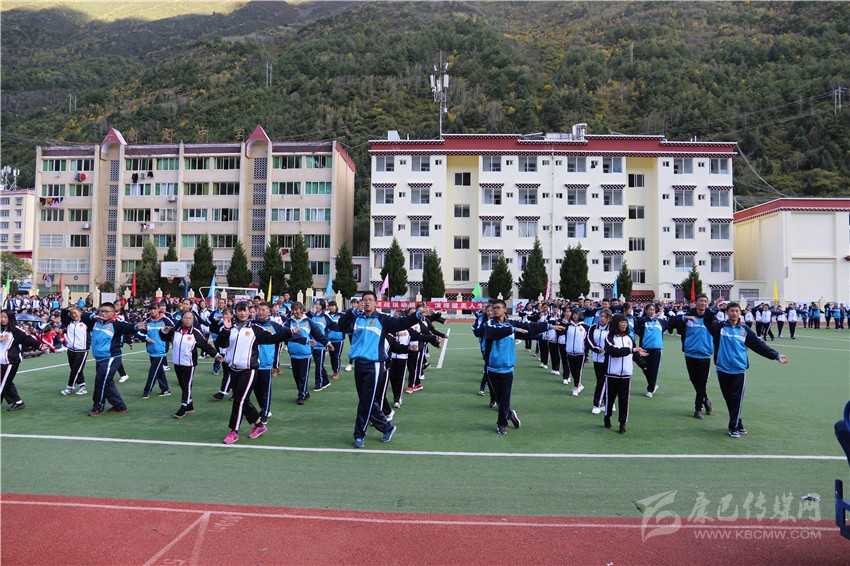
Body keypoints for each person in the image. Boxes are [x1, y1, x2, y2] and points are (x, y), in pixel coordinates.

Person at [335, 291, 428, 447]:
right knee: (366, 401)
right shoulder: (356, 318)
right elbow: (341, 326)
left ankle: (359, 435)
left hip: (374, 365)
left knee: (365, 402)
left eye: (370, 300)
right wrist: (351, 312)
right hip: (359, 364)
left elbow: (401, 323)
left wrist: (417, 315)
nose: (366, 302)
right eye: (364, 300)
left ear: (376, 303)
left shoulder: (383, 319)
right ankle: (387, 428)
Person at [215, 302, 306, 444]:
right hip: (233, 369)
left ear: (249, 312)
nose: (242, 313)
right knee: (243, 400)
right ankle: (259, 425)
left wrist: (291, 332)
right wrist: (225, 329)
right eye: (239, 311)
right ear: (235, 312)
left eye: (245, 310)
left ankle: (234, 431)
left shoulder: (255, 329)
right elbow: (221, 343)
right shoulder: (230, 328)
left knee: (239, 400)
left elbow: (272, 338)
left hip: (249, 370)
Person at [480, 299, 562, 435]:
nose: (495, 310)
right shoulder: (489, 324)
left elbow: (529, 328)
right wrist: (513, 329)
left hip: (508, 369)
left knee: (505, 398)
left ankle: (501, 424)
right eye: (493, 308)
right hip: (492, 368)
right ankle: (510, 414)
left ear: (505, 310)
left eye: (498, 307)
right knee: (499, 400)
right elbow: (495, 333)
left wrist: (548, 327)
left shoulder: (512, 324)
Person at [708, 302, 789, 438]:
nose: (734, 313)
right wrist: (714, 307)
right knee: (729, 399)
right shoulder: (719, 328)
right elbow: (707, 320)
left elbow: (759, 345)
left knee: (736, 399)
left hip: (739, 370)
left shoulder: (744, 330)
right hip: (722, 369)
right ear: (727, 312)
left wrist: (776, 356)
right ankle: (738, 421)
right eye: (732, 311)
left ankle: (733, 426)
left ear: (740, 313)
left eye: (737, 311)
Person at [80, 302, 147, 416]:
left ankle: (98, 406)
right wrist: (93, 316)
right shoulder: (95, 322)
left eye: (106, 311)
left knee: (100, 381)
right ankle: (119, 406)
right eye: (101, 311)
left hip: (111, 358)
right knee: (107, 383)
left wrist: (136, 327)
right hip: (100, 358)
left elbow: (128, 327)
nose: (103, 313)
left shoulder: (116, 323)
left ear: (113, 313)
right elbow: (83, 316)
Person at [159, 311, 222, 418]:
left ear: (193, 320)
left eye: (190, 318)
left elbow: (205, 345)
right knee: (182, 385)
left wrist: (216, 355)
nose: (187, 320)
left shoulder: (195, 333)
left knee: (187, 386)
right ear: (181, 318)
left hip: (189, 363)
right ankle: (190, 405)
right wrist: (163, 331)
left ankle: (183, 407)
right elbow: (164, 337)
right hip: (177, 362)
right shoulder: (175, 330)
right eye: (185, 318)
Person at [668, 294, 718, 420]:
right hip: (690, 353)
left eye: (705, 301)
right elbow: (671, 322)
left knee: (701, 382)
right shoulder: (689, 315)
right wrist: (686, 317)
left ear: (707, 303)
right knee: (694, 379)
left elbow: (718, 334)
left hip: (705, 354)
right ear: (696, 302)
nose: (703, 303)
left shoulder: (712, 319)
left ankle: (698, 409)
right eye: (701, 301)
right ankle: (705, 399)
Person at [603, 314, 648, 434]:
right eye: (622, 322)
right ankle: (607, 416)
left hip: (626, 375)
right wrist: (631, 350)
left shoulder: (629, 338)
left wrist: (644, 365)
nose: (624, 325)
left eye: (626, 323)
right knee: (610, 398)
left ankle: (622, 423)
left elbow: (635, 355)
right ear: (616, 323)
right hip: (612, 373)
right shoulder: (609, 337)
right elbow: (614, 352)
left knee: (624, 400)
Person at [285, 302, 328, 404]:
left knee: (303, 376)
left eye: (296, 309)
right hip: (293, 353)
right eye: (293, 310)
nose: (294, 312)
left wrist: (327, 343)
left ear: (301, 310)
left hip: (305, 353)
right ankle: (305, 392)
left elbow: (318, 334)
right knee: (296, 377)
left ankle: (301, 396)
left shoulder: (308, 321)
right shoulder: (289, 321)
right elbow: (284, 333)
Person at [1, 310, 43, 411]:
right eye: (1, 317)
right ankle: (18, 402)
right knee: (7, 382)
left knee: (2, 383)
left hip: (10, 361)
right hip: (1, 361)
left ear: (10, 318)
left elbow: (27, 339)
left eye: (5, 317)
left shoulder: (16, 331)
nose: (2, 319)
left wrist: (40, 346)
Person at [633, 303, 667, 398]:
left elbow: (670, 323)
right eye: (650, 310)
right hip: (644, 349)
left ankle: (650, 389)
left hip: (657, 349)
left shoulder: (660, 322)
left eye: (653, 310)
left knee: (654, 370)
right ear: (646, 311)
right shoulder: (643, 321)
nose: (652, 311)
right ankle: (653, 385)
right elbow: (638, 321)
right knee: (645, 368)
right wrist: (650, 318)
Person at [141, 303, 174, 399]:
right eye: (150, 309)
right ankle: (165, 389)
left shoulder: (165, 320)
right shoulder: (147, 321)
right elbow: (139, 332)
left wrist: (167, 332)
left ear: (159, 309)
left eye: (154, 309)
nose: (152, 311)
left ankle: (147, 391)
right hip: (151, 350)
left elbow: (173, 330)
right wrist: (146, 337)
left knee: (153, 372)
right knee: (159, 372)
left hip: (161, 351)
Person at [59, 306, 90, 396]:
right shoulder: (69, 322)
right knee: (75, 369)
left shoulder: (86, 323)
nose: (73, 315)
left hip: (82, 350)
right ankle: (82, 387)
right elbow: (63, 314)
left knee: (75, 370)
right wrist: (68, 309)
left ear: (80, 313)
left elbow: (90, 316)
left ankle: (69, 388)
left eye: (75, 313)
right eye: (71, 313)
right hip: (71, 350)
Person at [587, 309, 612, 414]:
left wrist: (605, 349)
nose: (602, 318)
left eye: (605, 317)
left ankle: (597, 404)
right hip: (596, 358)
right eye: (601, 316)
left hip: (606, 359)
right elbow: (589, 339)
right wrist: (596, 348)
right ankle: (609, 403)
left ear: (609, 319)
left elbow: (612, 342)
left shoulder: (611, 329)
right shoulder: (593, 327)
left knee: (601, 381)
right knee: (601, 381)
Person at [559, 307, 588, 396]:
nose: (575, 316)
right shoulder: (568, 326)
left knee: (578, 370)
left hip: (580, 352)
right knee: (572, 370)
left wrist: (585, 349)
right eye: (574, 314)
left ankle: (576, 387)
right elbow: (563, 335)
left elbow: (588, 339)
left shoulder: (585, 327)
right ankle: (579, 384)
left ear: (580, 315)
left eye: (577, 314)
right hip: (570, 351)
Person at [326, 301, 344, 380]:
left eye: (333, 306)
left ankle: (336, 372)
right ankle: (334, 370)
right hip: (329, 340)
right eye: (330, 306)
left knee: (336, 356)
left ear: (336, 307)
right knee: (331, 356)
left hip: (339, 340)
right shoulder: (326, 316)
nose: (331, 307)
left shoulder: (341, 315)